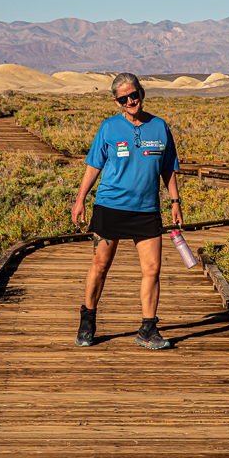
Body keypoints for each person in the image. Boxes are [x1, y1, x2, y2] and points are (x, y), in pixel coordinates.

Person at [71, 73, 183, 349]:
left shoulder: (159, 127)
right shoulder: (109, 128)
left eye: (134, 95)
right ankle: (88, 320)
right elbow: (93, 165)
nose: (131, 101)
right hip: (110, 207)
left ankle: (147, 328)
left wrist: (175, 201)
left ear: (142, 93)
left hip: (146, 210)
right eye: (124, 98)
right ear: (116, 102)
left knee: (153, 269)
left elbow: (168, 167)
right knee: (100, 266)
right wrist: (80, 198)